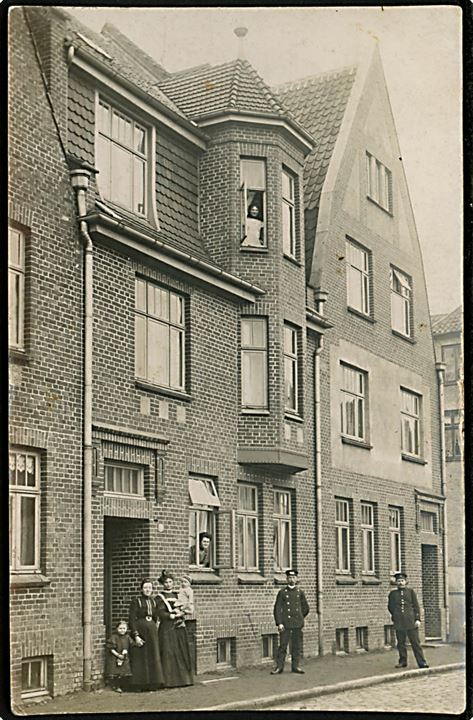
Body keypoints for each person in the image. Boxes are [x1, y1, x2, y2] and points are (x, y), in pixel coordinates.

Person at [156, 570, 193, 688]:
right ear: (163, 584)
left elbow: (186, 605)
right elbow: (160, 612)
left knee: (180, 650)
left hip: (178, 625)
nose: (168, 584)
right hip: (167, 627)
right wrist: (169, 615)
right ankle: (168, 681)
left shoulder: (178, 594)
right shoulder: (160, 597)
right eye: (166, 582)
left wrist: (181, 613)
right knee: (168, 651)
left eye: (170, 582)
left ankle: (183, 680)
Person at [128, 578, 164, 691]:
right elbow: (131, 619)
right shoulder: (136, 601)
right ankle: (140, 684)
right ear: (141, 589)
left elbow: (156, 617)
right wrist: (136, 635)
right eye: (145, 588)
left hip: (152, 632)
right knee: (141, 656)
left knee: (153, 655)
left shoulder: (154, 601)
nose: (147, 590)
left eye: (149, 587)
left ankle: (153, 682)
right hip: (141, 630)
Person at [271, 569, 310, 674]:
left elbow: (306, 608)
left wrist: (300, 617)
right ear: (287, 579)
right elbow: (277, 609)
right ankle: (279, 667)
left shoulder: (300, 592)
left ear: (296, 579)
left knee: (296, 646)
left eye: (293, 577)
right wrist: (279, 623)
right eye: (289, 578)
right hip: (286, 624)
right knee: (283, 646)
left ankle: (295, 666)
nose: (291, 579)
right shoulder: (283, 593)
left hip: (297, 623)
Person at [388, 571, 429, 669]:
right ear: (396, 582)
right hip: (399, 622)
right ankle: (402, 661)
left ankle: (421, 662)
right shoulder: (393, 594)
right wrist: (395, 615)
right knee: (401, 643)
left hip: (411, 622)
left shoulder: (410, 592)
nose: (400, 582)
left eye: (402, 580)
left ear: (406, 582)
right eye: (398, 581)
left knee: (415, 643)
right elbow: (390, 607)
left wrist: (417, 619)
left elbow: (416, 606)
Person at [105, 620, 133, 693]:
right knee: (116, 673)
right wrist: (117, 655)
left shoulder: (127, 637)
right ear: (117, 629)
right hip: (116, 656)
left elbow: (132, 644)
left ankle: (123, 686)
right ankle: (116, 686)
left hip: (124, 657)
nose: (122, 630)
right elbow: (111, 648)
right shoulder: (114, 637)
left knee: (124, 672)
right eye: (120, 628)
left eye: (124, 628)